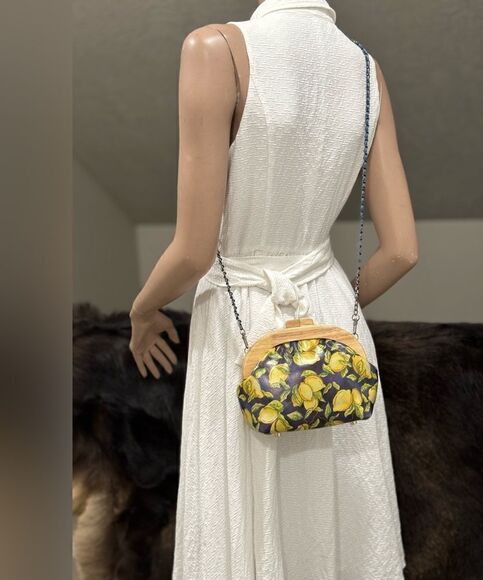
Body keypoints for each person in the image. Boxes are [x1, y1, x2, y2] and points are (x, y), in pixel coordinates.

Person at [129, 0, 418, 578]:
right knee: (337, 524)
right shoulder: (367, 70)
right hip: (331, 323)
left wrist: (143, 311)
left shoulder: (214, 49)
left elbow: (194, 250)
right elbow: (402, 251)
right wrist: (327, 314)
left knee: (243, 524)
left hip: (243, 321)